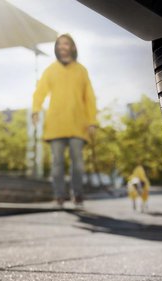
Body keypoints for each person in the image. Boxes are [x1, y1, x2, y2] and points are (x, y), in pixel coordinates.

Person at [32, 34, 97, 208]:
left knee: (77, 163)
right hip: (56, 124)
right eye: (59, 44)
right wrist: (36, 110)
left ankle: (78, 196)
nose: (62, 46)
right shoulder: (50, 70)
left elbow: (89, 97)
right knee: (57, 164)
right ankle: (59, 197)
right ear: (56, 48)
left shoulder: (81, 70)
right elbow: (39, 92)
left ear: (72, 47)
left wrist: (92, 121)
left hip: (78, 124)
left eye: (66, 43)